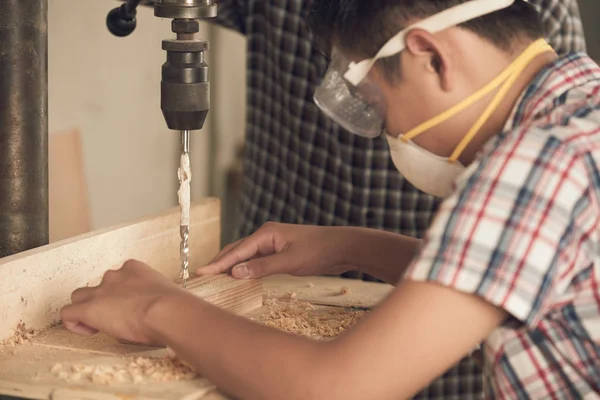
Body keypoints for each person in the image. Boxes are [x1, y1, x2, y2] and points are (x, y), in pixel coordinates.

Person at [60, 0, 600, 398]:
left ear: (431, 57)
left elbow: (334, 389)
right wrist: (349, 246)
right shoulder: (579, 101)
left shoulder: (528, 164)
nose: (386, 128)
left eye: (373, 102)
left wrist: (157, 308)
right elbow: (522, 277)